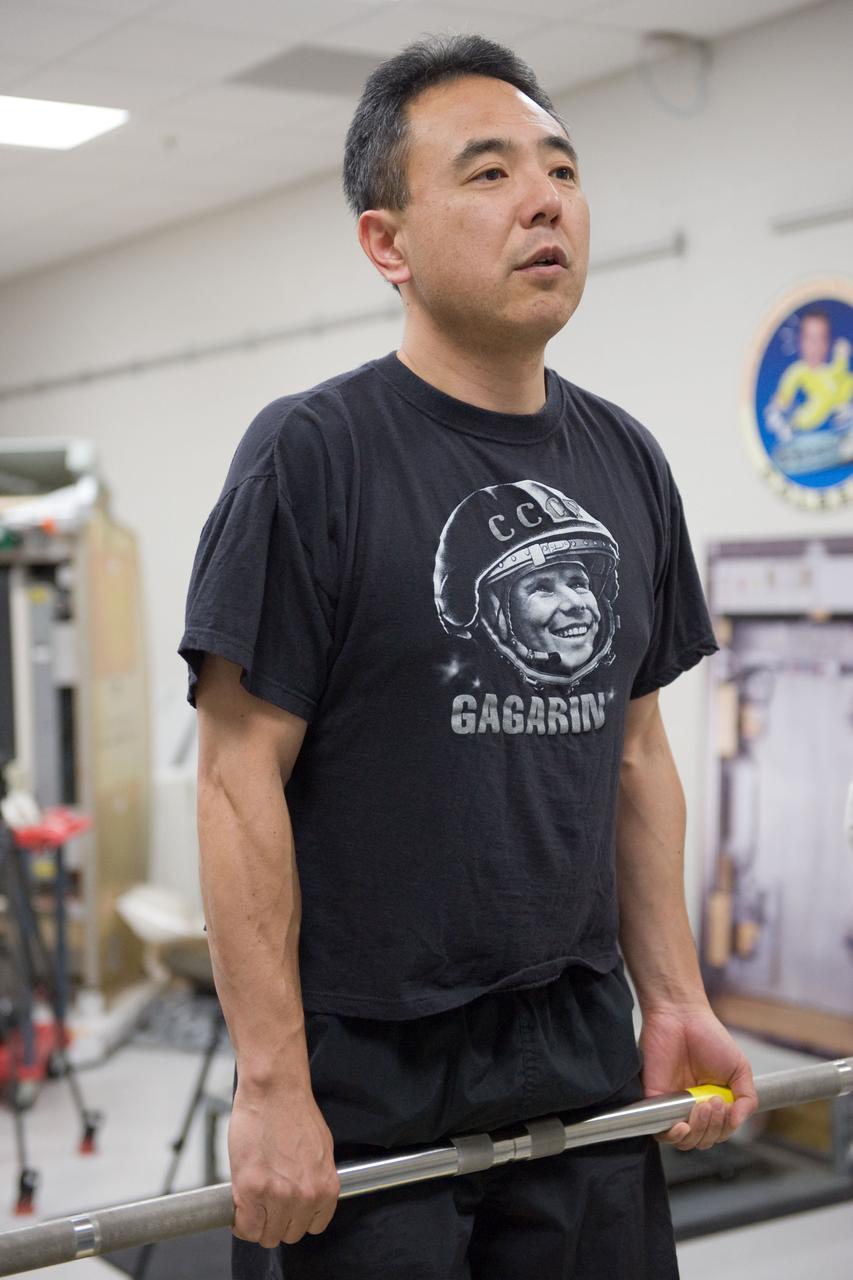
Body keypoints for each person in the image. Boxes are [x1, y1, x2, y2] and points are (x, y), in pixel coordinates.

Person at [178, 33, 759, 1280]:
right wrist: (272, 1079)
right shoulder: (310, 457)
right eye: (489, 173)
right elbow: (235, 781)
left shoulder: (626, 460)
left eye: (561, 167)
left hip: (575, 1036)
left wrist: (671, 996)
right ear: (386, 242)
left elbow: (636, 754)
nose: (546, 199)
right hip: (372, 1061)